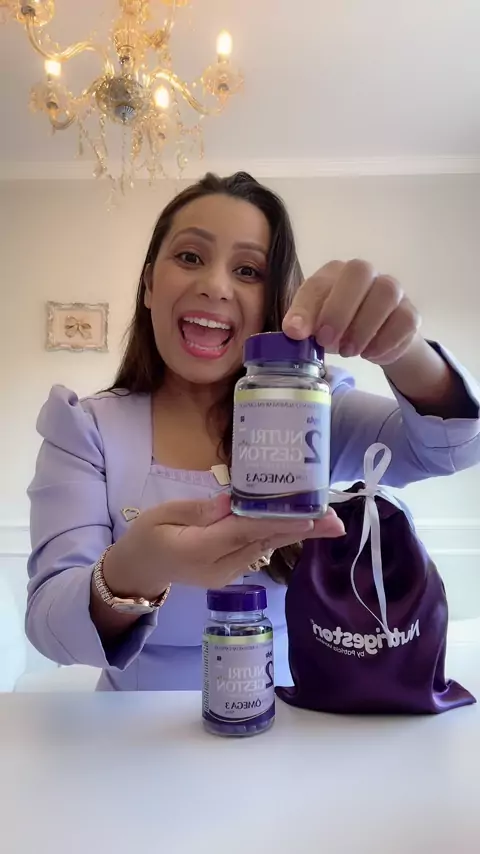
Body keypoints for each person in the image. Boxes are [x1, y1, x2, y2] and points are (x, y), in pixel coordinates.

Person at [26, 172, 480, 691]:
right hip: (132, 727)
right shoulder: (85, 428)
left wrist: (402, 348)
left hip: (294, 717)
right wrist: (137, 568)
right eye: (190, 257)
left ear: (272, 302)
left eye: (248, 270)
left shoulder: (313, 409)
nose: (215, 286)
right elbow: (50, 628)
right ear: (150, 285)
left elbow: (448, 449)